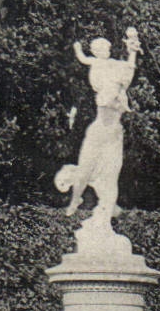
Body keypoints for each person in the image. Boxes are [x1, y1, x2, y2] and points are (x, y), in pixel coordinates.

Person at [57, 28, 141, 225]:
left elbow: (128, 71)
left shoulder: (117, 83)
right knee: (85, 171)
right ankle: (75, 198)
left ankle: (105, 215)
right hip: (99, 135)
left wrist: (133, 49)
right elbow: (86, 61)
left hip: (113, 137)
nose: (107, 51)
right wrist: (78, 49)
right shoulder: (105, 94)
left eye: (107, 48)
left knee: (111, 179)